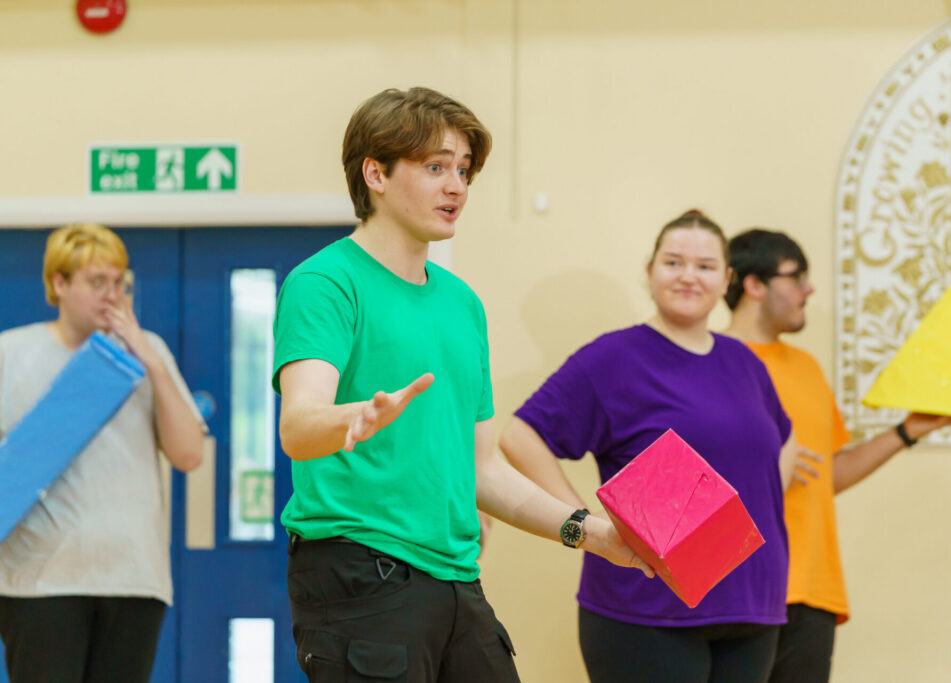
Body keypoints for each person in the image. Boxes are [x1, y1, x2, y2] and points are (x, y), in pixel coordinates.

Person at [272, 86, 650, 683]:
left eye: (464, 171)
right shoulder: (325, 282)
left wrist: (592, 533)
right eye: (435, 167)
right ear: (375, 172)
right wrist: (353, 419)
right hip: (359, 573)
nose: (457, 187)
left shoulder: (462, 305)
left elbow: (485, 471)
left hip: (455, 578)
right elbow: (298, 425)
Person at [500, 209, 799, 683]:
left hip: (753, 604)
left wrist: (755, 511)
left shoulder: (744, 362)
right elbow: (519, 436)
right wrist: (586, 525)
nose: (688, 276)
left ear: (727, 279)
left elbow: (784, 440)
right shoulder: (613, 357)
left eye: (704, 266)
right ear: (650, 271)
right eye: (673, 262)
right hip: (644, 609)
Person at [722, 228, 951, 683]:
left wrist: (909, 430)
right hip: (736, 590)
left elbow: (826, 476)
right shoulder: (711, 362)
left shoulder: (807, 368)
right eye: (797, 277)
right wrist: (765, 471)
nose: (809, 289)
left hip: (813, 592)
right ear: (754, 285)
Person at [0, 223, 205, 682]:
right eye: (96, 283)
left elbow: (189, 455)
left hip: (133, 579)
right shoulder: (10, 354)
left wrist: (149, 359)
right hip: (39, 583)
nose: (112, 295)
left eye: (119, 283)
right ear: (59, 284)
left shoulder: (149, 354)